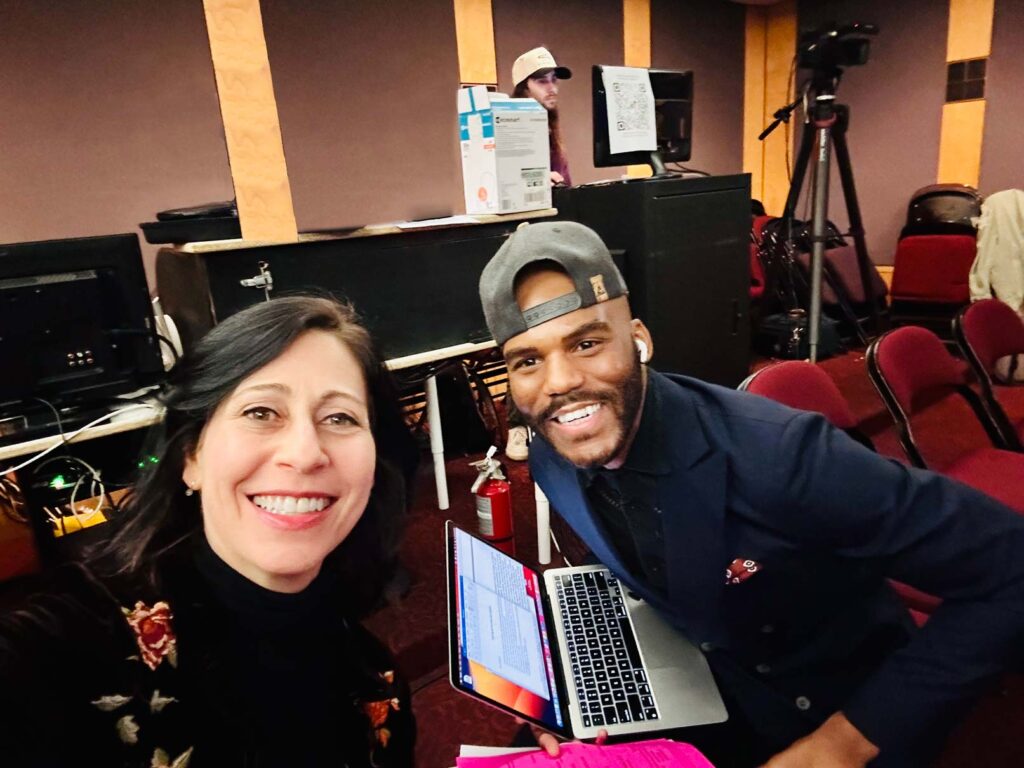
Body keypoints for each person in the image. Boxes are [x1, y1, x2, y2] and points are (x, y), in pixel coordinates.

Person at [478, 221, 1024, 767]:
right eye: (528, 360)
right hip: (701, 666)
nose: (558, 382)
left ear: (640, 338)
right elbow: (627, 543)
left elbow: (1011, 567)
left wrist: (842, 743)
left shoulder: (781, 455)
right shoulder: (553, 447)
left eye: (587, 343)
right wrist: (563, 683)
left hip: (828, 709)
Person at [0, 296, 417, 767]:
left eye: (340, 418)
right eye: (261, 412)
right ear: (191, 456)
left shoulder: (376, 687)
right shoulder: (67, 648)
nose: (305, 453)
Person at [512, 46, 573, 189]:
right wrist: (537, 178)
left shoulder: (549, 125)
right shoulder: (510, 129)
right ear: (524, 89)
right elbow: (506, 178)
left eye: (554, 80)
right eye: (542, 81)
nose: (552, 89)